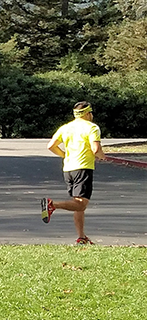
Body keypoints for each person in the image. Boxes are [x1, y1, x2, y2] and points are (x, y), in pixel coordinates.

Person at [42, 101, 107, 244]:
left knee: (77, 203)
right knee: (81, 204)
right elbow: (96, 149)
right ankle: (52, 205)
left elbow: (51, 146)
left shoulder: (66, 128)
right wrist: (102, 156)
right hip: (83, 168)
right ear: (88, 114)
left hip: (68, 169)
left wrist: (64, 155)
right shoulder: (92, 128)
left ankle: (81, 237)